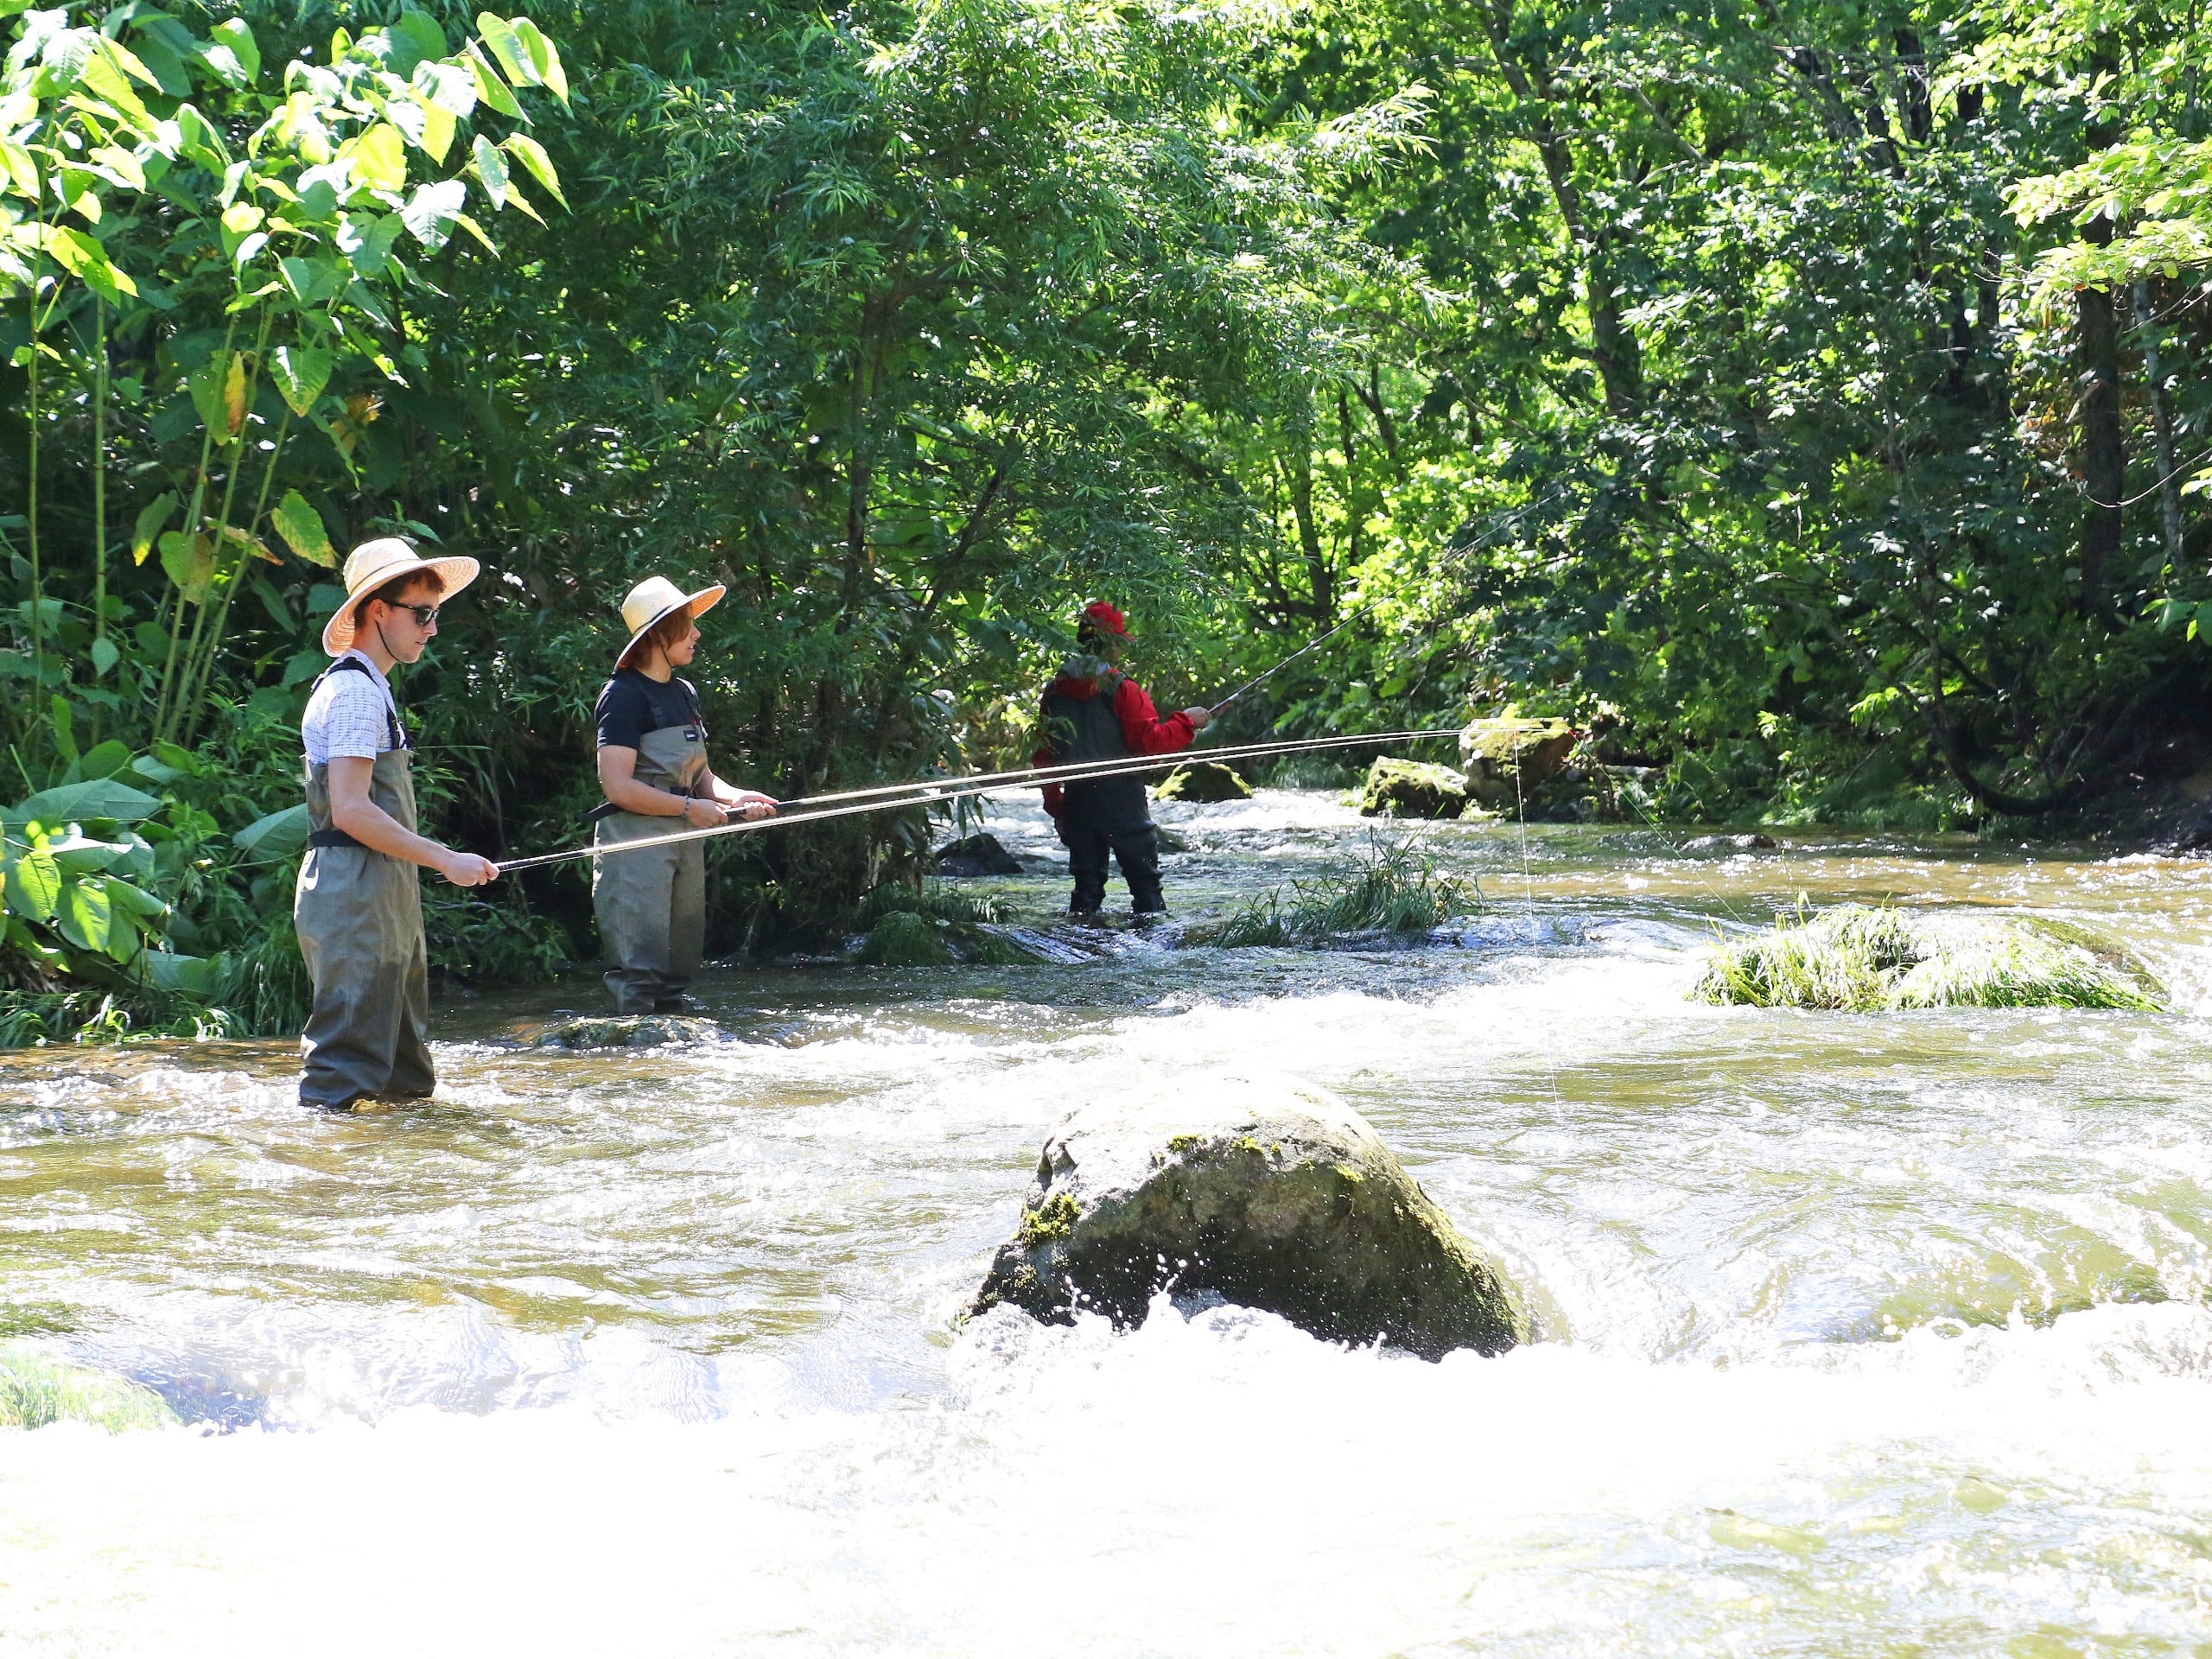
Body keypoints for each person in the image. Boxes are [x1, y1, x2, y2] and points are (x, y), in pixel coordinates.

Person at [296, 537, 499, 1114]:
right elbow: (352, 810)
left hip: (380, 893)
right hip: (355, 896)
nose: (432, 628)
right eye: (422, 613)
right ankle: (323, 1183)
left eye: (436, 614)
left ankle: (399, 1183)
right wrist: (446, 860)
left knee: (404, 1072)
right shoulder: (355, 692)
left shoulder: (371, 688)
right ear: (376, 611)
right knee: (345, 1066)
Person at [590, 575, 777, 1014]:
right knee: (639, 970)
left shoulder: (683, 692)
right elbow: (617, 786)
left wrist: (736, 798)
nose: (697, 633)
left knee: (679, 962)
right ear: (657, 634)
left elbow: (702, 776)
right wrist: (690, 808)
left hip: (684, 835)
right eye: (686, 624)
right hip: (636, 842)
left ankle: (673, 1063)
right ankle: (632, 1066)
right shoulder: (622, 695)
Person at [1033, 601, 1211, 918]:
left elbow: (1045, 756)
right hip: (1123, 803)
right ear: (1113, 644)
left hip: (1078, 801)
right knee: (1146, 891)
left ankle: (1078, 951)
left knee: (1086, 892)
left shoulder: (1054, 693)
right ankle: (1154, 957)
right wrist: (1188, 721)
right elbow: (1150, 744)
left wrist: (1056, 805)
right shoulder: (1123, 690)